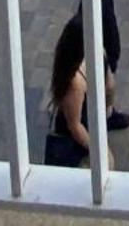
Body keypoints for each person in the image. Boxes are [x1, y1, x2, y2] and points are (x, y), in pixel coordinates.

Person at [69, 0, 129, 133]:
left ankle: (106, 113)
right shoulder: (92, 1)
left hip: (109, 50)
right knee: (104, 86)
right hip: (99, 51)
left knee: (107, 85)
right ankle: (99, 117)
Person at [43, 13, 94, 167]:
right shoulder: (74, 84)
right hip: (75, 130)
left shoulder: (71, 59)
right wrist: (97, 149)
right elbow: (75, 126)